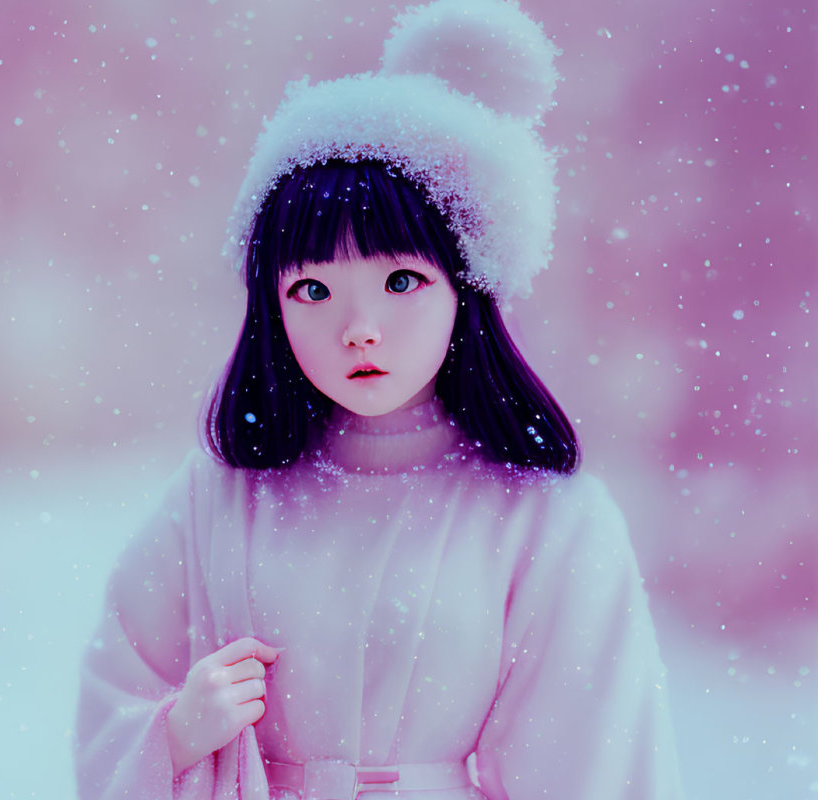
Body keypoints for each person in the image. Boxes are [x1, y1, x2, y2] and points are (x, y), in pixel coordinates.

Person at [74, 1, 684, 798]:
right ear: (272, 308)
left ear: (466, 288)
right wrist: (180, 733)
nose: (359, 329)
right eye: (314, 289)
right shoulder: (217, 497)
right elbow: (117, 696)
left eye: (401, 281)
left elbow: (597, 768)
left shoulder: (547, 518)